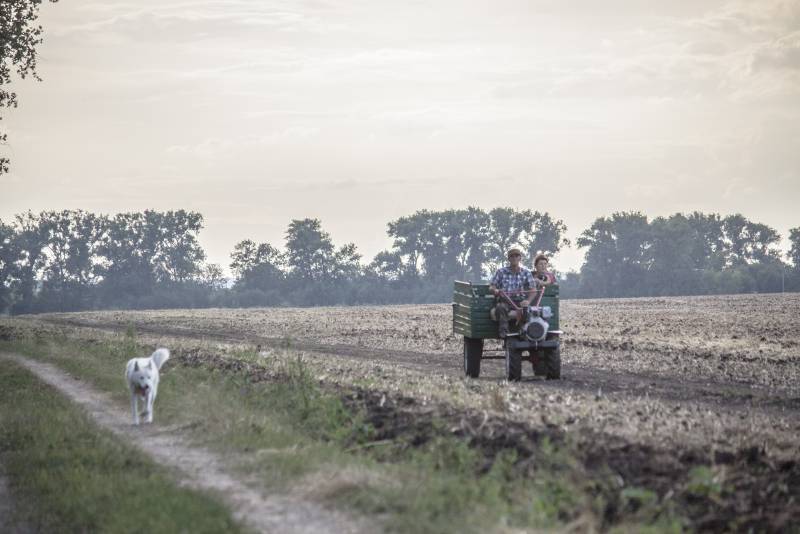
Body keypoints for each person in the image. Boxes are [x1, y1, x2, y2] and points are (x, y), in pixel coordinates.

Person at [489, 247, 538, 338]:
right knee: (500, 307)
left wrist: (528, 301)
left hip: (520, 300)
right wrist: (495, 290)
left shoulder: (526, 272)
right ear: (509, 259)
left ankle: (525, 332)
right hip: (506, 300)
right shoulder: (501, 272)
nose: (514, 258)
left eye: (516, 256)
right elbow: (492, 286)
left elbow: (533, 290)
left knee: (528, 310)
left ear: (520, 258)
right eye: (512, 256)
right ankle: (504, 333)